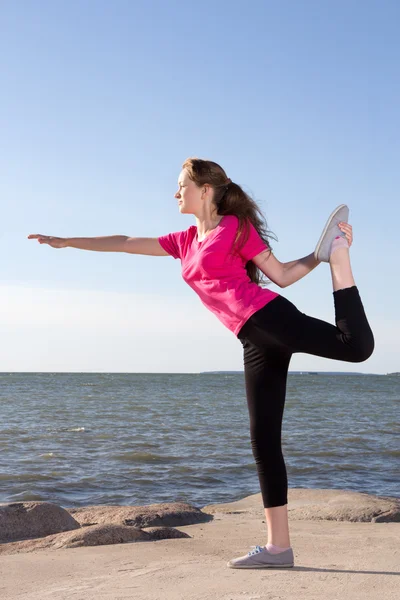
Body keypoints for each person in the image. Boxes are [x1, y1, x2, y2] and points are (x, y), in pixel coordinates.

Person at [28, 157, 374, 569]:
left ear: (205, 190)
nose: (176, 193)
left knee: (357, 348)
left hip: (269, 317)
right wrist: (68, 241)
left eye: (181, 186)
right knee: (263, 440)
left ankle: (340, 260)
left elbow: (280, 275)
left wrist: (322, 258)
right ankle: (279, 548)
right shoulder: (185, 240)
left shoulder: (234, 227)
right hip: (252, 338)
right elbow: (125, 241)